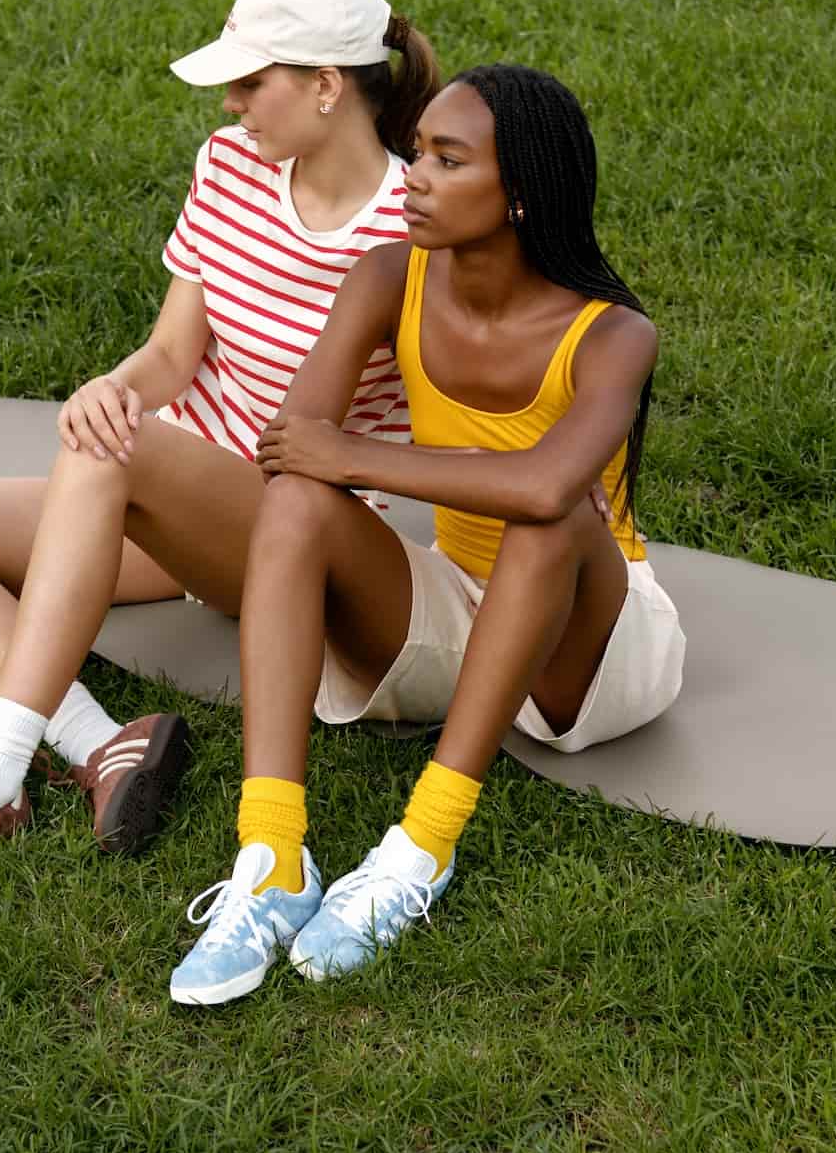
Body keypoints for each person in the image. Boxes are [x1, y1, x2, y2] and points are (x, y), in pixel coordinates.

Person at [0, 0, 439, 904]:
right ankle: (102, 744)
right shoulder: (229, 170)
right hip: (171, 498)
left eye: (252, 84)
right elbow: (172, 355)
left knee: (117, 448)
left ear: (328, 87)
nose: (231, 108)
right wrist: (114, 384)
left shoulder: (412, 228)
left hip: (297, 542)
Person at [168, 63, 686, 1005]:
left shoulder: (613, 334)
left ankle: (420, 849)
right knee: (293, 500)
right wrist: (326, 460)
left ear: (520, 195)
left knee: (543, 515)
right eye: (417, 154)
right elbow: (293, 449)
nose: (413, 177)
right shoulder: (388, 277)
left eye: (448, 162)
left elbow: (542, 483)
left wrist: (353, 457)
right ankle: (272, 857)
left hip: (597, 649)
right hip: (463, 611)